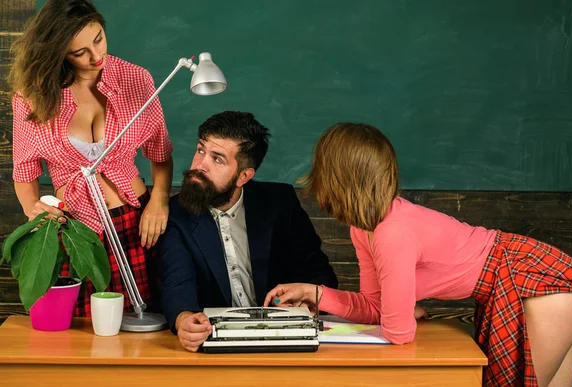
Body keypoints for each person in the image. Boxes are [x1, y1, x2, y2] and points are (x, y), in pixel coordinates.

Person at [263, 123, 572, 387]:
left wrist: (404, 312)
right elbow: (377, 309)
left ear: (336, 177)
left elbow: (397, 332)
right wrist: (315, 293)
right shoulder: (364, 227)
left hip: (534, 283)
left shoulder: (391, 232)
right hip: (528, 284)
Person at [9, 0, 173, 316]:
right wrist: (34, 213)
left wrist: (160, 200)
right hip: (73, 227)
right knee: (84, 327)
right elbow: (25, 169)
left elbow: (160, 153)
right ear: (56, 52)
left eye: (98, 38)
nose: (96, 56)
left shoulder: (136, 78)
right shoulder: (32, 97)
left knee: (149, 319)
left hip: (135, 220)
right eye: (79, 52)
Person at [157, 111, 338, 352]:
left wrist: (305, 302)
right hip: (217, 346)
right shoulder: (176, 214)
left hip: (283, 341)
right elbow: (176, 281)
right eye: (201, 150)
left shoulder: (280, 203)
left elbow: (320, 277)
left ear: (244, 175)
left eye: (217, 159)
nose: (200, 165)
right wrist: (183, 320)